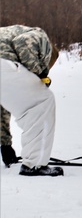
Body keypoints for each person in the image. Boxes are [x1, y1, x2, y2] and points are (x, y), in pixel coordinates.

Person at [0, 25, 62, 176]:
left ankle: (33, 160)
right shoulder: (41, 38)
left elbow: (3, 105)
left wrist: (5, 145)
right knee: (42, 102)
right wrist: (40, 73)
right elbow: (23, 42)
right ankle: (34, 165)